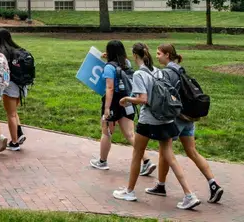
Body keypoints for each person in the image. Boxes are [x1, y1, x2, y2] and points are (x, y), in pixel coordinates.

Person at [112, 42, 200, 211]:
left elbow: (143, 99)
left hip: (148, 120)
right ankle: (189, 194)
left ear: (135, 55)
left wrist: (127, 100)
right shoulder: (157, 71)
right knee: (170, 156)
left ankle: (129, 191)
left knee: (137, 154)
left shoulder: (139, 74)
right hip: (165, 119)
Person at [148, 44, 223, 204]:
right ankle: (213, 184)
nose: (157, 56)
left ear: (167, 55)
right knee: (192, 152)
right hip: (189, 117)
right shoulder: (180, 70)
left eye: (159, 53)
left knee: (164, 151)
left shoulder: (167, 73)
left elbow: (163, 96)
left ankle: (161, 186)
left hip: (176, 118)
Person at [91, 40, 156, 178]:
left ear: (109, 52)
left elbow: (109, 88)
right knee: (130, 134)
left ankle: (102, 161)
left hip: (114, 102)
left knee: (107, 132)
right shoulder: (126, 63)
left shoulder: (109, 67)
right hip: (127, 100)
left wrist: (107, 108)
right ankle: (147, 161)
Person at [0, 28, 30, 151]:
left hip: (11, 86)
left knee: (10, 114)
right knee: (13, 112)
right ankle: (19, 134)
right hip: (22, 85)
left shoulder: (3, 54)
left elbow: (4, 72)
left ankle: (14, 143)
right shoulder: (19, 50)